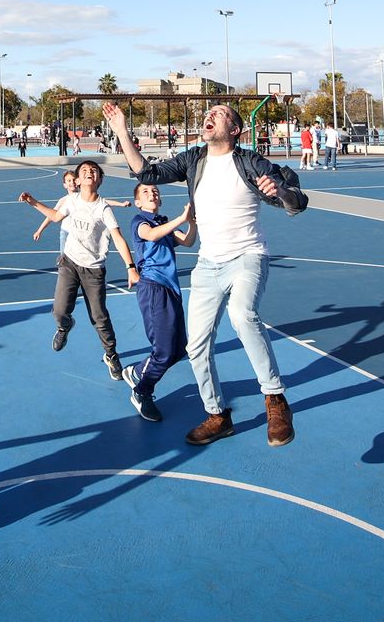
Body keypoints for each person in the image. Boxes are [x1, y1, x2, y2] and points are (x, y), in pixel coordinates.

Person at [103, 101, 307, 447]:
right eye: (209, 112)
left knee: (242, 315)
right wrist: (122, 130)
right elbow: (146, 172)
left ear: (236, 129)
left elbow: (295, 201)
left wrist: (282, 192)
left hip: (247, 255)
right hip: (208, 264)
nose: (210, 115)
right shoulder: (193, 159)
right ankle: (217, 415)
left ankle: (275, 399)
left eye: (221, 113)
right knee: (196, 346)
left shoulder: (250, 162)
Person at [18, 160, 140, 381]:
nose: (89, 172)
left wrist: (130, 267)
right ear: (78, 179)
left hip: (94, 270)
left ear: (100, 179)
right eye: (84, 170)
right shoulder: (71, 201)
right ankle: (64, 327)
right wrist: (32, 201)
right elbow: (55, 216)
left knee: (99, 317)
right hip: (70, 262)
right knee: (59, 311)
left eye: (93, 170)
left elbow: (119, 239)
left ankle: (111, 355)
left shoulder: (103, 208)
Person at [121, 183, 195, 422]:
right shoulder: (139, 222)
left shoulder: (162, 223)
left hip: (171, 289)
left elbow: (188, 241)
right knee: (163, 351)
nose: (152, 193)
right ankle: (142, 392)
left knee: (179, 348)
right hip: (153, 288)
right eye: (145, 192)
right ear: (139, 202)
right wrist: (180, 217)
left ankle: (137, 370)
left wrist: (192, 221)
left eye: (155, 191)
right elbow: (151, 235)